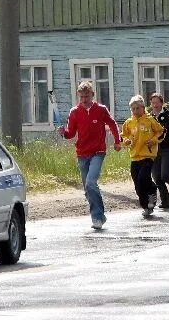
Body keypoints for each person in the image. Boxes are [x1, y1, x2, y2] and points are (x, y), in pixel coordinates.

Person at [58, 81, 122, 230]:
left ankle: (97, 217)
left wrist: (117, 141)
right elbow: (71, 133)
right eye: (81, 97)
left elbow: (112, 124)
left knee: (91, 183)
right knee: (88, 190)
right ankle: (99, 210)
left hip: (98, 152)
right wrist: (63, 133)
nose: (84, 100)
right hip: (82, 153)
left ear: (92, 95)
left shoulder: (100, 109)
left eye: (87, 96)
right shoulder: (74, 112)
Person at [121, 95, 165, 218]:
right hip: (135, 156)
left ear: (143, 107)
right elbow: (124, 135)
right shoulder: (129, 122)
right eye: (133, 109)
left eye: (138, 108)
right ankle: (146, 206)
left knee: (142, 178)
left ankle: (152, 190)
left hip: (148, 155)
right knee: (137, 183)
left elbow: (161, 132)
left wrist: (154, 140)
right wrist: (126, 141)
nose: (135, 111)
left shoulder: (150, 119)